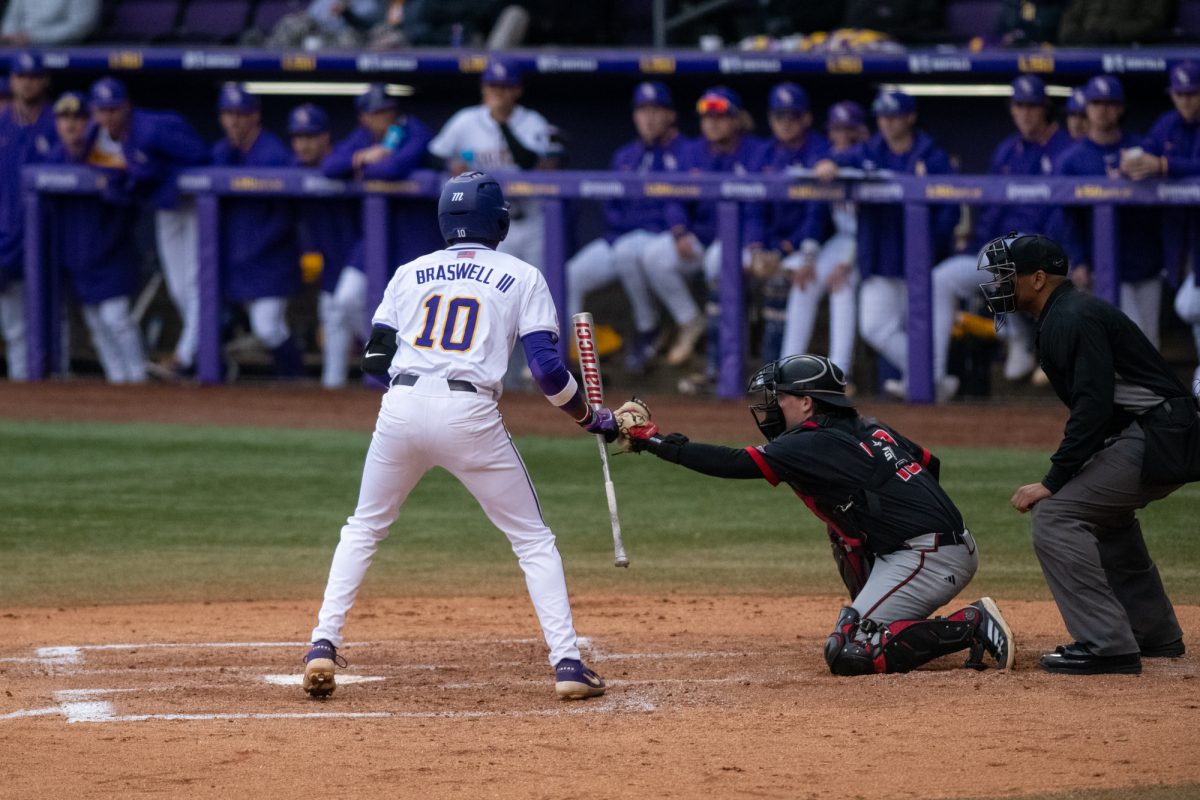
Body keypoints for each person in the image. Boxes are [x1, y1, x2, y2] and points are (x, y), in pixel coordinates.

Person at [303, 172, 615, 700]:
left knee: (364, 526)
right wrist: (590, 417)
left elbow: (375, 359)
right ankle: (567, 663)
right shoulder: (523, 275)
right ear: (500, 220)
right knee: (532, 540)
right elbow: (545, 372)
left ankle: (320, 644)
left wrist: (420, 380)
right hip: (470, 412)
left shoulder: (409, 272)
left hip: (399, 406)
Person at [618, 352, 1015, 676]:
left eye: (780, 397)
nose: (771, 406)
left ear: (806, 402)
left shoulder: (811, 443)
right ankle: (882, 611)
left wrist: (651, 440)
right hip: (935, 547)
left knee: (848, 651)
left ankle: (971, 624)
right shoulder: (869, 427)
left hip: (927, 556)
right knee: (841, 528)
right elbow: (931, 466)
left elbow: (733, 463)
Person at [979, 232, 1194, 674]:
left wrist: (1054, 481)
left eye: (1008, 275)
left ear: (1038, 279)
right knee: (1102, 512)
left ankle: (1108, 645)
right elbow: (1103, 409)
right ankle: (1152, 633)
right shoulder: (1067, 313)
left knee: (1056, 515)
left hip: (1163, 434)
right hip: (1162, 430)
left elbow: (1093, 408)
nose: (1000, 284)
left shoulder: (1072, 317)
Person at [814, 90, 960, 401]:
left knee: (924, 329)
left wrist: (931, 247)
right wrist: (828, 163)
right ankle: (931, 377)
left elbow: (951, 210)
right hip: (880, 257)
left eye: (894, 116)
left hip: (921, 261)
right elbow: (836, 161)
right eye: (882, 116)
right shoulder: (870, 150)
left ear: (910, 117)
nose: (888, 122)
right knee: (874, 327)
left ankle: (927, 381)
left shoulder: (931, 155)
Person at [929, 75, 1073, 388]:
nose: (1025, 113)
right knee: (942, 278)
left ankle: (1025, 337)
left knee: (1006, 257)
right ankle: (935, 378)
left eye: (1032, 106)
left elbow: (1062, 215)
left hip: (1050, 255)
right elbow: (991, 210)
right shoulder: (1007, 150)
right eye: (1019, 106)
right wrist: (975, 247)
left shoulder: (1065, 150)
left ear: (1045, 108)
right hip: (1001, 256)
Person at [564, 81, 691, 374]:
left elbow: (677, 208)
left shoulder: (685, 152)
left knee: (630, 250)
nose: (648, 117)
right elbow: (610, 207)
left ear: (670, 115)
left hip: (660, 241)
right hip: (621, 238)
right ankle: (570, 360)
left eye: (656, 110)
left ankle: (647, 326)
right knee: (570, 275)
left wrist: (645, 226)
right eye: (642, 110)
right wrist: (630, 225)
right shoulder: (624, 155)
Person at [87, 76, 209, 381]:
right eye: (101, 110)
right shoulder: (98, 136)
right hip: (164, 208)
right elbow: (113, 178)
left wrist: (159, 173)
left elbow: (200, 155)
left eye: (113, 109)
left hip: (191, 204)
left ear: (126, 106)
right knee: (178, 287)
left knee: (195, 283)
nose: (107, 116)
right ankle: (200, 346)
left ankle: (186, 354)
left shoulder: (152, 129)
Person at [318, 83, 432, 388]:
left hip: (414, 235)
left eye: (389, 110)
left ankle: (400, 367)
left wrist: (369, 163)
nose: (386, 117)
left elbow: (393, 168)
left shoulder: (414, 130)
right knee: (346, 299)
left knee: (413, 311)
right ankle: (383, 360)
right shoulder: (363, 138)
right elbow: (329, 166)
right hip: (374, 235)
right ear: (364, 118)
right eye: (378, 113)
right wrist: (363, 156)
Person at [1051, 75, 1165, 347]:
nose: (1102, 110)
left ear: (1121, 108)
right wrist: (1077, 260)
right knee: (1132, 339)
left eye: (1110, 103)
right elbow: (1067, 218)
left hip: (1145, 259)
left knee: (1150, 343)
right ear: (1087, 108)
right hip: (1103, 264)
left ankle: (1145, 390)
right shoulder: (1071, 160)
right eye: (1096, 102)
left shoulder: (1143, 149)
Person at [47, 91, 145, 383]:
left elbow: (130, 205)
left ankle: (139, 380)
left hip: (111, 254)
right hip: (76, 257)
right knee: (96, 326)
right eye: (65, 118)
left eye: (78, 118)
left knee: (117, 319)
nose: (72, 125)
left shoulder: (109, 154)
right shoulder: (53, 157)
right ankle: (117, 381)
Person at [210, 83, 305, 378]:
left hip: (270, 259)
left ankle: (296, 377)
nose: (234, 121)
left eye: (241, 113)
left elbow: (289, 215)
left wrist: (254, 247)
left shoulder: (273, 154)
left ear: (255, 116)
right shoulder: (222, 152)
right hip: (236, 261)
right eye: (228, 114)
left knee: (268, 327)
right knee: (220, 322)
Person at [1121, 61, 1200, 390]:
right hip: (1179, 234)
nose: (1185, 101)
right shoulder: (1166, 124)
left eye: (1192, 94)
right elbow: (1146, 154)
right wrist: (1132, 163)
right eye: (1179, 94)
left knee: (1189, 304)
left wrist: (1165, 165)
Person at [428, 57, 550, 268]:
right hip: (490, 220)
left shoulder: (533, 121)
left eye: (505, 86)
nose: (498, 92)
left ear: (517, 90)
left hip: (532, 218)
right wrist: (451, 165)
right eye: (493, 86)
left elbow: (527, 162)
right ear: (484, 89)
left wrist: (501, 122)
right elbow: (433, 154)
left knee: (541, 286)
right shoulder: (465, 120)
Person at [777, 100, 865, 379]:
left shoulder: (868, 155)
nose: (842, 137)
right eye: (836, 130)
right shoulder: (825, 161)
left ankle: (839, 375)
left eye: (848, 130)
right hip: (841, 238)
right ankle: (786, 371)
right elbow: (816, 215)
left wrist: (849, 262)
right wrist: (808, 258)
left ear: (861, 131)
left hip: (869, 240)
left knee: (842, 285)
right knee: (805, 281)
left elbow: (859, 160)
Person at [750, 82, 830, 365]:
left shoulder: (820, 150)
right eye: (778, 116)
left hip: (809, 244)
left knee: (783, 280)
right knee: (722, 266)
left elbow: (817, 214)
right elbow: (753, 206)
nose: (784, 123)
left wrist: (783, 250)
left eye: (791, 116)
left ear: (806, 118)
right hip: (769, 242)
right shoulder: (763, 153)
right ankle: (718, 365)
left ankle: (773, 368)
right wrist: (757, 246)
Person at [0, 52, 56, 381]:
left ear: (45, 80)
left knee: (54, 318)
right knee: (15, 325)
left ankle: (59, 392)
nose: (27, 83)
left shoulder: (59, 121)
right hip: (6, 234)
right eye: (21, 77)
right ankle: (26, 393)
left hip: (49, 233)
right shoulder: (3, 123)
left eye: (34, 77)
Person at [1, 0, 100, 45]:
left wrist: (32, 38)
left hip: (63, 49)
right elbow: (12, 17)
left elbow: (80, 26)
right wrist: (9, 36)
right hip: (18, 47)